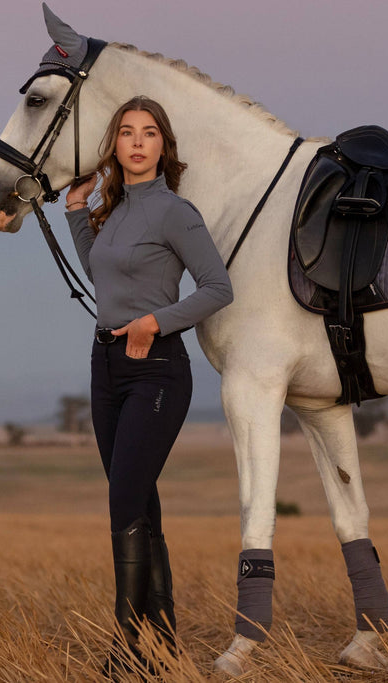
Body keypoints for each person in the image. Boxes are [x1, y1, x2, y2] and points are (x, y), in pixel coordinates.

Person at [63, 95, 233, 666]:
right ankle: (159, 645)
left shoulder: (174, 212)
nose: (137, 141)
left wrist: (156, 321)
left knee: (124, 500)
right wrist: (75, 212)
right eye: (127, 132)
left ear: (164, 146)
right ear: (114, 145)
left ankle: (129, 648)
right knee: (140, 506)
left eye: (150, 132)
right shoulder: (112, 212)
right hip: (104, 365)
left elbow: (217, 288)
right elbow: (100, 274)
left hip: (156, 369)